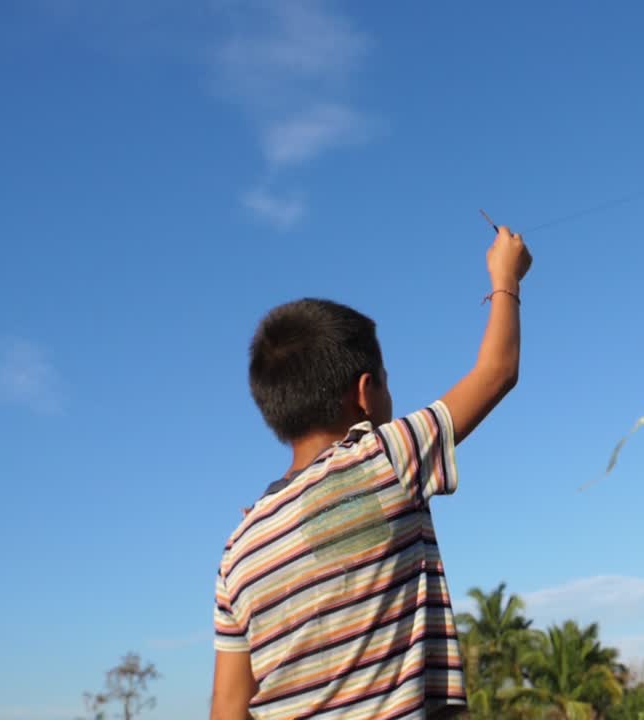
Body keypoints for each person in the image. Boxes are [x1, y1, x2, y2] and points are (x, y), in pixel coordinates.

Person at [209, 227, 532, 719]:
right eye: (387, 381)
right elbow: (497, 371)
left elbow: (228, 707)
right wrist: (506, 277)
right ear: (365, 392)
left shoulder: (239, 548)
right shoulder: (386, 458)